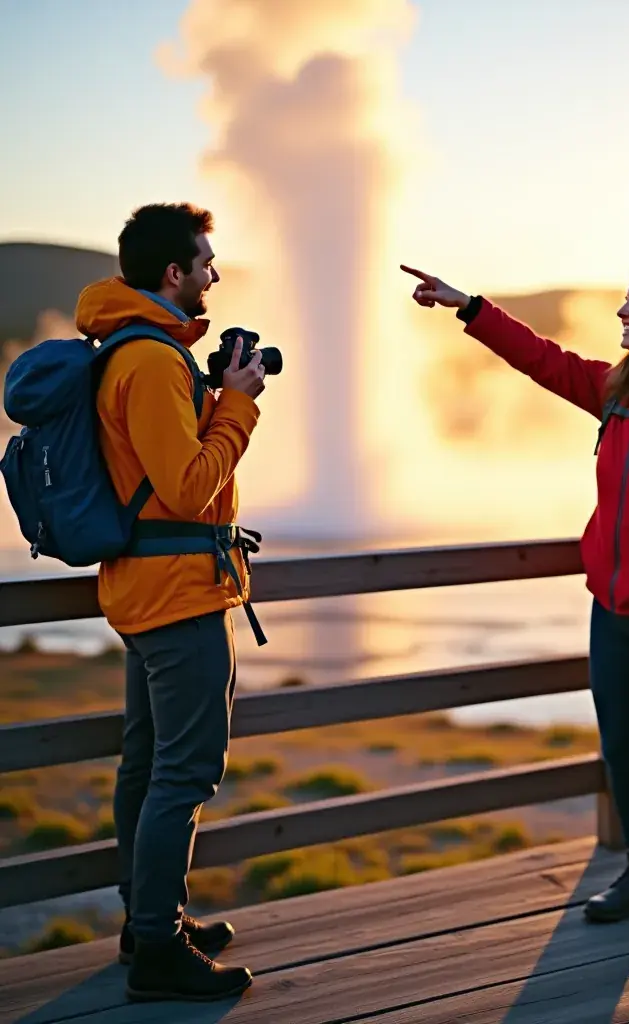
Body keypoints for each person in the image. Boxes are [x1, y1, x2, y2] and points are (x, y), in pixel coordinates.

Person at [402, 261, 629, 955]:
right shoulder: (619, 388)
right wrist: (468, 305)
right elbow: (540, 358)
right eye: (624, 300)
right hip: (613, 608)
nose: (622, 312)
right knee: (621, 749)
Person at [77, 203, 266, 1002]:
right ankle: (156, 948)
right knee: (182, 774)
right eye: (206, 262)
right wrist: (239, 404)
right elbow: (190, 489)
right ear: (172, 274)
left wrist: (216, 395)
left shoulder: (132, 349)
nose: (214, 274)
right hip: (178, 598)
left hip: (151, 591)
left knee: (148, 766)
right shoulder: (150, 362)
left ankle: (147, 919)